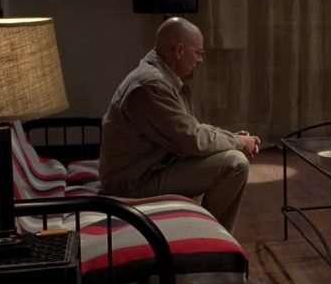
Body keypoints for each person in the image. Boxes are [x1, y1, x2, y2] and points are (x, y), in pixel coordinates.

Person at [99, 17, 261, 232]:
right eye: (199, 52)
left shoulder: (158, 76)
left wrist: (232, 138)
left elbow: (188, 130)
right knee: (235, 163)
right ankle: (211, 239)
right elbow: (192, 139)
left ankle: (207, 234)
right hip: (133, 184)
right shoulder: (152, 85)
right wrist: (238, 142)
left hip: (144, 172)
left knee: (226, 154)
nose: (201, 60)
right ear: (179, 51)